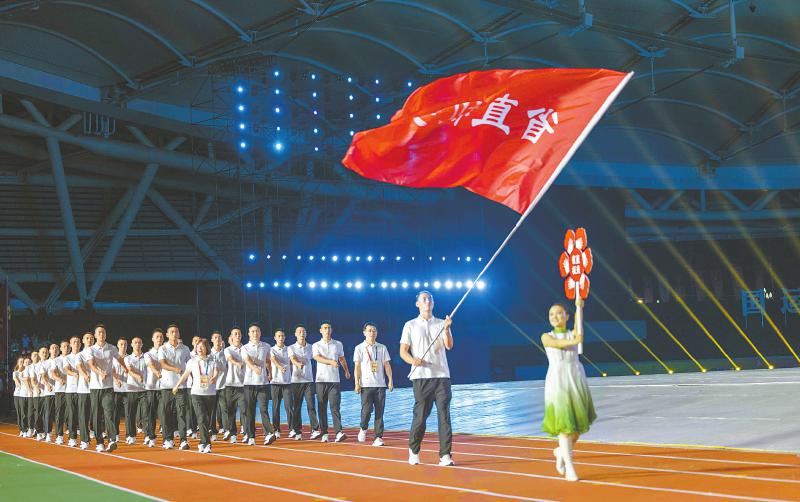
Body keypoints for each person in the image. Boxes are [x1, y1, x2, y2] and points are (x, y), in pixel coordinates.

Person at [541, 298, 595, 482]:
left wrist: (579, 307)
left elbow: (579, 331)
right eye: (551, 314)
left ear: (567, 316)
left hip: (575, 378)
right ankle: (570, 468)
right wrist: (575, 339)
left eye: (559, 313)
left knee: (576, 430)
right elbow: (557, 344)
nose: (555, 317)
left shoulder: (573, 333)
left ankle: (560, 452)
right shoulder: (546, 336)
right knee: (565, 427)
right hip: (558, 381)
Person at [400, 290, 454, 466]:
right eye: (424, 299)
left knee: (444, 416)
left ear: (433, 303)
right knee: (421, 417)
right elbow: (403, 351)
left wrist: (447, 329)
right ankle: (414, 450)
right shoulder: (410, 325)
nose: (427, 301)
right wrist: (412, 360)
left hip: (442, 376)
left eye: (430, 298)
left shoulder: (442, 323)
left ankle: (445, 455)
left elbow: (449, 346)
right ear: (417, 304)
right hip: (421, 377)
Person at [173, 338, 219, 453]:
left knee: (207, 420)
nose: (200, 348)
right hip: (196, 393)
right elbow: (185, 375)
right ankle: (207, 444)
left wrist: (214, 377)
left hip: (210, 394)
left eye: (202, 346)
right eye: (198, 347)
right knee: (201, 417)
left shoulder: (212, 361)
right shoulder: (192, 362)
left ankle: (202, 442)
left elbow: (216, 371)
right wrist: (177, 385)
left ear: (206, 348)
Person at [87, 324, 127, 452]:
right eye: (99, 332)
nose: (101, 334)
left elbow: (119, 358)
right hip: (95, 387)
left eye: (103, 332)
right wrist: (100, 373)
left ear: (106, 334)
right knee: (97, 416)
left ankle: (111, 440)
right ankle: (99, 442)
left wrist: (125, 368)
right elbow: (91, 364)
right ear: (95, 335)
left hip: (108, 387)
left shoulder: (112, 348)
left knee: (109, 413)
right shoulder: (91, 349)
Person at [354, 322, 393, 446]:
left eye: (374, 330)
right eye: (370, 330)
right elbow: (357, 367)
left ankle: (378, 437)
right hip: (366, 384)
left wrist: (390, 380)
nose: (372, 333)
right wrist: (357, 383)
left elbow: (387, 364)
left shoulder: (382, 347)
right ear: (364, 332)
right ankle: (363, 428)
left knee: (379, 411)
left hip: (380, 384)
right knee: (366, 411)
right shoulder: (359, 348)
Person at [312, 321, 350, 443]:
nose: (327, 330)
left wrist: (346, 371)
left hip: (334, 380)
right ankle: (324, 433)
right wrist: (330, 362)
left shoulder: (338, 344)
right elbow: (317, 357)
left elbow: (342, 358)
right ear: (320, 330)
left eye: (329, 328)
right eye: (324, 328)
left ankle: (338, 432)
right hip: (321, 381)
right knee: (322, 408)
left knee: (335, 407)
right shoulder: (316, 345)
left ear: (331, 330)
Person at [158, 324, 192, 450]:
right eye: (171, 332)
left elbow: (190, 365)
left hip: (181, 386)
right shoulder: (163, 348)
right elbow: (162, 364)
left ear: (179, 334)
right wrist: (175, 369)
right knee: (167, 413)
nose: (174, 334)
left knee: (181, 413)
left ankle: (183, 440)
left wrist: (192, 377)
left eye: (176, 331)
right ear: (167, 334)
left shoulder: (185, 349)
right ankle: (168, 439)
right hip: (166, 386)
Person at [242, 322, 275, 446]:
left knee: (264, 409)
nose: (255, 333)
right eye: (253, 331)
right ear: (249, 334)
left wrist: (270, 372)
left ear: (260, 333)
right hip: (249, 384)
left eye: (257, 331)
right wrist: (254, 368)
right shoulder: (245, 348)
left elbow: (268, 361)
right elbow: (247, 360)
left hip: (263, 383)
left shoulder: (266, 346)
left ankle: (269, 433)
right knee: (250, 411)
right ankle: (251, 436)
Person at [289, 325, 319, 440]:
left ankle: (315, 429)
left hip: (309, 380)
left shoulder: (311, 347)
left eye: (303, 331)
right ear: (295, 334)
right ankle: (297, 431)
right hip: (296, 381)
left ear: (306, 334)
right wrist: (298, 364)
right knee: (297, 406)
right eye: (299, 331)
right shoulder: (291, 348)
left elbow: (317, 357)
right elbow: (292, 359)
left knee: (311, 405)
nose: (302, 333)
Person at [223, 327, 246, 443]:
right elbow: (230, 359)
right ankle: (233, 434)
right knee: (231, 411)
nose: (237, 336)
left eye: (239, 334)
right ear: (231, 337)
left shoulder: (246, 349)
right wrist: (237, 363)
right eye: (235, 334)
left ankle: (246, 433)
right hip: (230, 385)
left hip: (243, 385)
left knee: (244, 410)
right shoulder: (227, 350)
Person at [269, 329, 293, 439]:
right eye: (278, 336)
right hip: (275, 383)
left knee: (289, 406)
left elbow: (292, 361)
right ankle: (276, 429)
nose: (281, 338)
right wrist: (280, 367)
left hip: (287, 382)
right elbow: (273, 359)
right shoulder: (271, 349)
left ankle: (292, 429)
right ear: (275, 338)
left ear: (285, 337)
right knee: (275, 407)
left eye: (282, 336)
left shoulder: (289, 349)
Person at [124, 337, 148, 445]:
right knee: (130, 414)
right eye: (135, 342)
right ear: (132, 344)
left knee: (146, 413)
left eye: (139, 342)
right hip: (131, 389)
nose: (137, 344)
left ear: (142, 344)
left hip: (144, 390)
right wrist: (138, 376)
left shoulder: (146, 357)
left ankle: (147, 435)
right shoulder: (128, 358)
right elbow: (129, 370)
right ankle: (131, 436)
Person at [143, 329, 164, 448]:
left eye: (161, 337)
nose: (159, 339)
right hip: (151, 388)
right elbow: (150, 365)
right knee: (150, 415)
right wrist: (157, 372)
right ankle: (151, 437)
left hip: (164, 388)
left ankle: (167, 438)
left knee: (164, 414)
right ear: (152, 339)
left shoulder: (166, 352)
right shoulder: (148, 354)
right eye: (157, 337)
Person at [76, 331, 95, 449]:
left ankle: (96, 435)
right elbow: (80, 367)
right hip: (83, 389)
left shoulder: (97, 353)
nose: (89, 340)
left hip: (96, 388)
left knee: (96, 415)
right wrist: (86, 376)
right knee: (83, 416)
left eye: (91, 338)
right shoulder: (80, 355)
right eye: (87, 338)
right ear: (83, 341)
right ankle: (84, 440)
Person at [62, 336, 83, 447]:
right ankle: (72, 438)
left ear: (80, 344)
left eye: (78, 342)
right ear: (70, 345)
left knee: (83, 414)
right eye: (74, 342)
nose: (76, 344)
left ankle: (84, 439)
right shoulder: (67, 358)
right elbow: (66, 369)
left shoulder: (84, 355)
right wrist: (74, 374)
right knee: (72, 414)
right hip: (71, 389)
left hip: (83, 389)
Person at [51, 341, 70, 444]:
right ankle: (59, 435)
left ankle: (72, 436)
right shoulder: (56, 360)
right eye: (64, 346)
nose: (66, 348)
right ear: (61, 349)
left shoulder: (73, 358)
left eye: (68, 346)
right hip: (60, 389)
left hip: (72, 389)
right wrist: (59, 379)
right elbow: (53, 373)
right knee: (59, 413)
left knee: (71, 413)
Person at [209, 331, 227, 440]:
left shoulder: (226, 353)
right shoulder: (208, 354)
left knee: (225, 409)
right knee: (212, 411)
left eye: (219, 337)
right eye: (215, 337)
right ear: (212, 340)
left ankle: (226, 430)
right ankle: (213, 432)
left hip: (224, 386)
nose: (217, 339)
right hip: (212, 387)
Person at [112, 338, 129, 443]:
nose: (123, 346)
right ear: (118, 345)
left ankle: (129, 435)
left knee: (128, 413)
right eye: (121, 344)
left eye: (125, 344)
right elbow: (111, 370)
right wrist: (116, 379)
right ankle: (116, 434)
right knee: (115, 414)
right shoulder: (114, 358)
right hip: (116, 389)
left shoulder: (129, 358)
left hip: (128, 389)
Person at [12, 357, 26, 436]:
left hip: (26, 395)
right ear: (18, 363)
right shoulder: (15, 373)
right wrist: (23, 388)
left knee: (25, 412)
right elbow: (17, 382)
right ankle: (22, 429)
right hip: (18, 394)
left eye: (23, 361)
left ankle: (27, 428)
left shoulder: (27, 372)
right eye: (21, 362)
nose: (22, 363)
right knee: (20, 413)